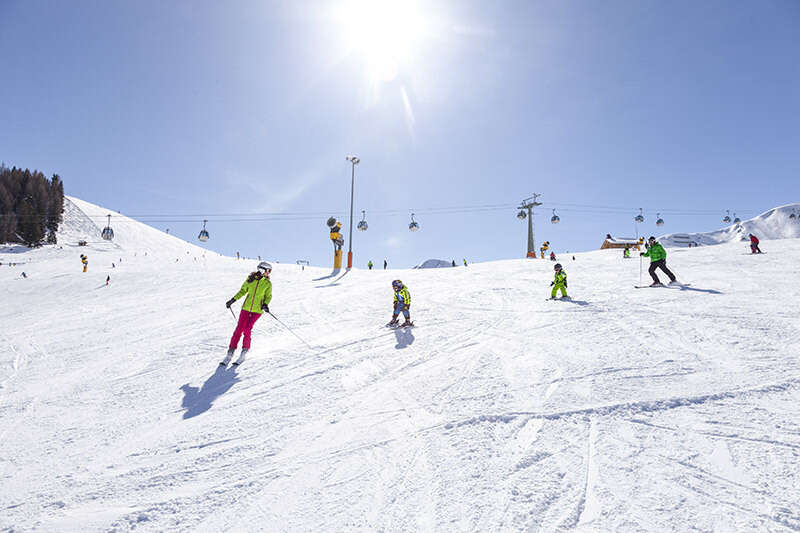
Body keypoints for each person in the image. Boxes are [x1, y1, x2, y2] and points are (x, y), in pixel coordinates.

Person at [222, 261, 273, 366]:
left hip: (257, 310)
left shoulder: (267, 283)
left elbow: (268, 296)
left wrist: (265, 304)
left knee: (247, 329)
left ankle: (244, 352)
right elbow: (242, 291)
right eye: (268, 271)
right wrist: (232, 300)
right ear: (263, 270)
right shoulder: (250, 280)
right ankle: (230, 352)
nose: (269, 273)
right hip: (245, 308)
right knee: (239, 329)